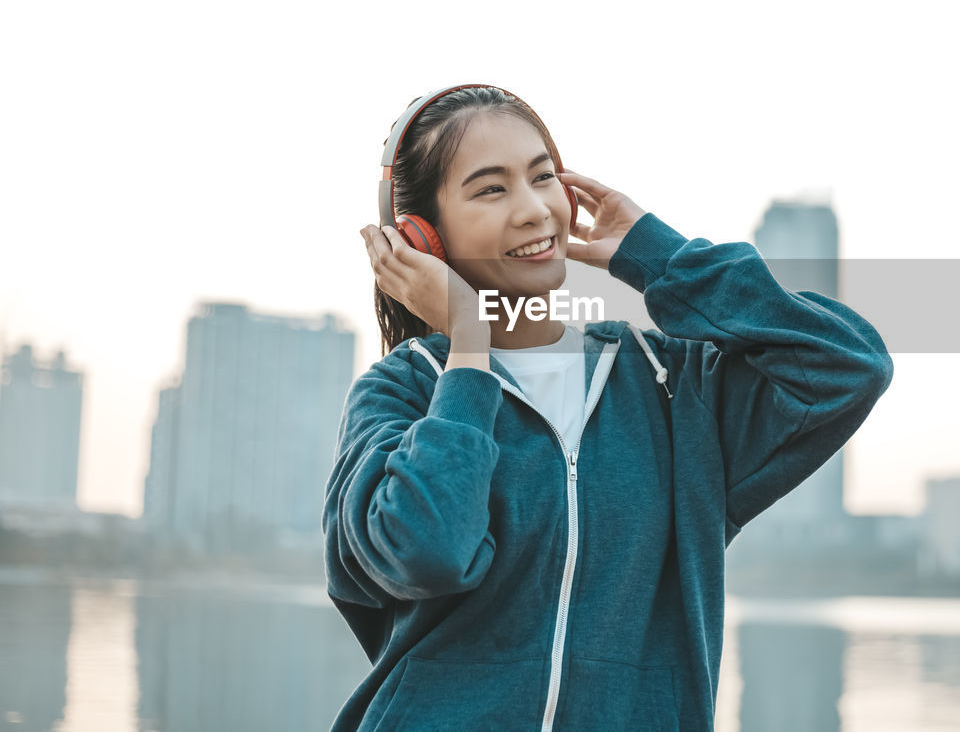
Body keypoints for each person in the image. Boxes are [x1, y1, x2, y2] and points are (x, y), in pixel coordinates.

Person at [323, 85, 894, 731]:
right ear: (423, 237)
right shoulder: (402, 391)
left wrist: (661, 257)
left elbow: (849, 364)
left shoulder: (671, 389)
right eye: (492, 189)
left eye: (544, 178)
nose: (535, 209)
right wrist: (469, 342)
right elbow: (429, 549)